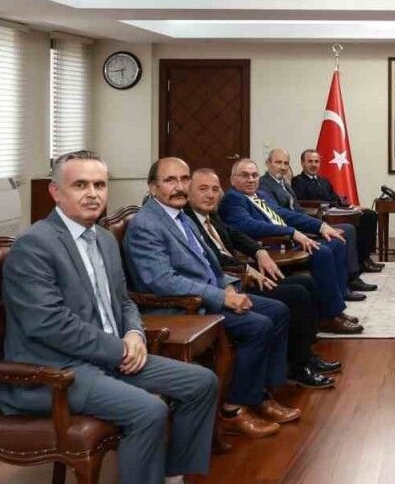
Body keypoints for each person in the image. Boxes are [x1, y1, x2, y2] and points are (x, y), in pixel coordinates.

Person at [0, 151, 218, 484]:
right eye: (80, 185)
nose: (93, 194)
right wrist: (119, 350)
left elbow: (123, 299)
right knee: (149, 411)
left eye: (99, 185)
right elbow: (49, 324)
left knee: (202, 383)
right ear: (55, 192)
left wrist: (134, 334)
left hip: (108, 357)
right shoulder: (34, 245)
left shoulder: (103, 238)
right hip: (56, 372)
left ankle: (173, 476)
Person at [125, 158, 294, 438]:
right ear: (153, 187)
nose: (179, 186)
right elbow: (161, 281)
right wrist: (220, 297)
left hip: (207, 293)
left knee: (278, 310)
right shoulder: (147, 224)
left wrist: (228, 286)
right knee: (258, 325)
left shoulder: (180, 216)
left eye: (184, 179)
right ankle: (233, 410)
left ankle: (260, 395)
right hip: (180, 308)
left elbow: (208, 262)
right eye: (170, 180)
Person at [185, 166, 349, 384]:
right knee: (297, 294)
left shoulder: (210, 216)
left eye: (215, 189)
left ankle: (305, 357)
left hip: (244, 270)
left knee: (306, 283)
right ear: (189, 192)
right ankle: (298, 367)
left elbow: (235, 234)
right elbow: (212, 258)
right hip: (229, 283)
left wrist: (258, 251)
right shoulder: (189, 220)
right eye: (203, 189)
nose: (210, 195)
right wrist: (246, 269)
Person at [220, 159, 367, 322]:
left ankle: (338, 300)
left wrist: (320, 226)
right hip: (269, 247)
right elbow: (248, 225)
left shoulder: (260, 195)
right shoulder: (233, 199)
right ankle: (329, 317)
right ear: (233, 179)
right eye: (244, 175)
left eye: (254, 175)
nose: (251, 179)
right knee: (322, 252)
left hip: (285, 241)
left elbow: (284, 214)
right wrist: (291, 232)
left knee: (335, 242)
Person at [259, 148, 372, 293]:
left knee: (350, 227)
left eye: (286, 163)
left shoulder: (284, 184)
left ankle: (349, 279)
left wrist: (316, 223)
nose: (282, 167)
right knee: (344, 233)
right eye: (278, 162)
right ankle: (348, 281)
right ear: (268, 163)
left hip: (303, 224)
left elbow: (298, 209)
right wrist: (317, 225)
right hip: (289, 233)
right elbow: (279, 214)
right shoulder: (264, 185)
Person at [292, 148, 383, 274]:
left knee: (368, 215)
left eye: (316, 162)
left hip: (335, 213)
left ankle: (365, 258)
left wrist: (352, 207)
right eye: (310, 161)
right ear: (302, 163)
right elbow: (303, 204)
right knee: (353, 225)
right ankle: (358, 263)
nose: (314, 165)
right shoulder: (297, 181)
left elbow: (336, 199)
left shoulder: (324, 181)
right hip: (319, 218)